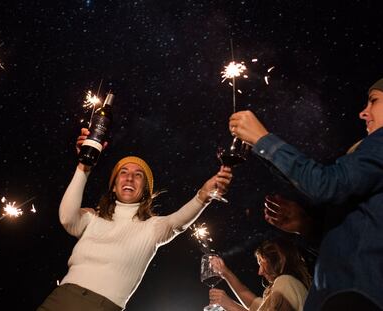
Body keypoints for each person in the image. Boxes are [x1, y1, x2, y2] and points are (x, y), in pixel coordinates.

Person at [228, 78, 383, 310]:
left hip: (355, 297)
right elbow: (352, 241)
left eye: (374, 101)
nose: (363, 112)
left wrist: (264, 141)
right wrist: (305, 225)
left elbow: (328, 184)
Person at [37, 128, 233, 311]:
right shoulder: (93, 217)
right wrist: (84, 166)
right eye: (123, 173)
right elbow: (66, 217)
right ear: (113, 186)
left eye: (138, 175)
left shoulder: (152, 227)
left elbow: (178, 222)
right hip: (61, 297)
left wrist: (203, 196)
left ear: (145, 191)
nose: (130, 178)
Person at [208, 237, 311, 311]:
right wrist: (225, 273)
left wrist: (230, 306)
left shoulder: (285, 281)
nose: (260, 272)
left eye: (261, 263)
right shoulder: (290, 285)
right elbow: (252, 303)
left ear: (277, 260)